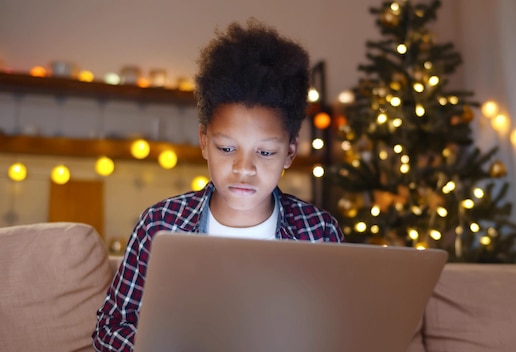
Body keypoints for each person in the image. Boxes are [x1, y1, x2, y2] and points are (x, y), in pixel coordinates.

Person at [92, 19, 344, 351]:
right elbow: (110, 329)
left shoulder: (320, 232)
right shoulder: (160, 224)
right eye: (226, 148)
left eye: (266, 152)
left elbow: (339, 335)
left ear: (290, 153)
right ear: (204, 142)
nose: (244, 169)